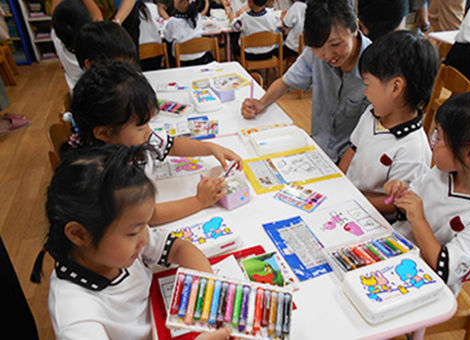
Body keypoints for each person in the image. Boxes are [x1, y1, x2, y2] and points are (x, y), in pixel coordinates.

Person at [30, 144, 232, 340]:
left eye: (145, 225)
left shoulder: (115, 249)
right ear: (79, 234)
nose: (144, 239)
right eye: (133, 232)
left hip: (161, 319)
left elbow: (180, 248)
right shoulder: (75, 316)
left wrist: (211, 291)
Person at [68, 61, 242, 225]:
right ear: (103, 133)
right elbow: (149, 216)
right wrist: (199, 201)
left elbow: (171, 145)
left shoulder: (136, 140)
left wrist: (210, 148)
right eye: (141, 126)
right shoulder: (109, 174)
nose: (149, 131)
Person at [384, 90, 470, 295]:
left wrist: (418, 219)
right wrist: (400, 192)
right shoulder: (444, 173)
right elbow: (409, 203)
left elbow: (443, 270)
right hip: (393, 253)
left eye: (439, 137)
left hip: (422, 288)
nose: (433, 143)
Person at [241, 0, 371, 164]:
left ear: (355, 27)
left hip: (353, 161)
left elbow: (370, 135)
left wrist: (341, 173)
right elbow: (285, 81)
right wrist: (261, 103)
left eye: (336, 44)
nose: (327, 55)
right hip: (319, 149)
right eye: (318, 47)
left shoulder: (375, 67)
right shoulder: (314, 52)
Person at [339, 30, 439, 217]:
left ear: (395, 87)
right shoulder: (371, 114)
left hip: (373, 218)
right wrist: (338, 182)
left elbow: (395, 203)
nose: (365, 92)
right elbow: (352, 149)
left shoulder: (413, 149)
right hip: (348, 200)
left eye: (368, 84)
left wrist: (355, 202)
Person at [51, 0, 92, 90]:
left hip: (76, 95)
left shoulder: (57, 40)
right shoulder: (94, 51)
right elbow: (98, 17)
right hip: (96, 99)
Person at [164, 0, 215, 66]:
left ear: (184, 3)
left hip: (182, 60)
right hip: (201, 57)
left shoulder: (172, 21)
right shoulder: (198, 17)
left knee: (168, 47)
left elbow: (168, 38)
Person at [139, 0, 165, 70]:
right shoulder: (155, 8)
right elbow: (164, 29)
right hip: (157, 53)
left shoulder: (129, 9)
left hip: (138, 56)